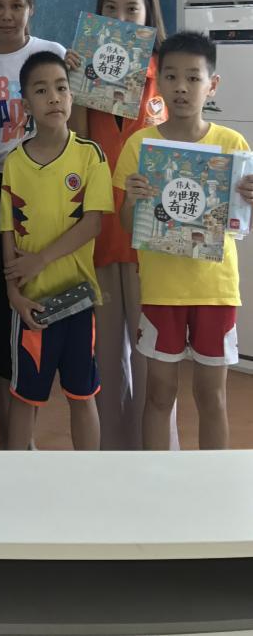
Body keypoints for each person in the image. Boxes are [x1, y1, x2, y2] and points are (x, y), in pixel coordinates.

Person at [115, 31, 253, 450]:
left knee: (212, 396)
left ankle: (212, 482)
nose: (181, 87)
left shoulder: (232, 145)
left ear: (212, 85)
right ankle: (157, 479)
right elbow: (127, 226)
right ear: (157, 81)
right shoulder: (141, 144)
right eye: (171, 76)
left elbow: (239, 224)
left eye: (193, 78)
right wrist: (133, 200)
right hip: (161, 290)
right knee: (159, 394)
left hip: (216, 289)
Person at [68, 0, 169, 450]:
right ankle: (113, 458)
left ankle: (158, 461)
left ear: (149, 16)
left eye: (132, 9)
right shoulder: (87, 73)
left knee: (151, 362)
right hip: (102, 235)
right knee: (107, 359)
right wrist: (71, 82)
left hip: (152, 242)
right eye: (111, 9)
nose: (121, 19)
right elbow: (76, 146)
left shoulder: (166, 74)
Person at [0, 0, 65, 447]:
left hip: (49, 190)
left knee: (47, 309)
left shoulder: (55, 56)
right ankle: (13, 436)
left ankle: (27, 430)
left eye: (16, 6)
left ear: (32, 9)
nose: (7, 15)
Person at [0, 51, 111, 451]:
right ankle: (16, 476)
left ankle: (89, 476)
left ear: (72, 95)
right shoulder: (14, 162)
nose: (54, 98)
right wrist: (13, 294)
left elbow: (92, 224)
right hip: (32, 305)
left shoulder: (91, 155)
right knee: (25, 398)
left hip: (78, 301)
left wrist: (41, 260)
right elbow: (8, 234)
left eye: (61, 88)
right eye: (42, 90)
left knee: (83, 394)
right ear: (26, 104)